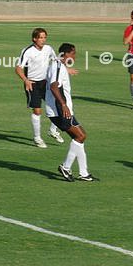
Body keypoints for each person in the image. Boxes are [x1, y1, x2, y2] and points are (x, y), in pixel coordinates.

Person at [47, 43, 96, 182]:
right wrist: (63, 105)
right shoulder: (57, 66)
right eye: (73, 53)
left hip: (62, 109)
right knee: (80, 136)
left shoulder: (59, 65)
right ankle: (66, 167)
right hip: (59, 111)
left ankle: (83, 172)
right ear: (65, 54)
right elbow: (53, 86)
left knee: (81, 137)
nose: (75, 56)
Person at [15, 28, 63, 148]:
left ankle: (53, 130)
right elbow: (18, 68)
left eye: (44, 37)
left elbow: (56, 61)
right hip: (32, 83)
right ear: (34, 39)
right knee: (37, 110)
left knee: (58, 104)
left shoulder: (48, 49)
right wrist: (26, 80)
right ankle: (37, 138)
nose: (43, 40)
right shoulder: (28, 51)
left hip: (46, 83)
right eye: (40, 37)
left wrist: (66, 69)